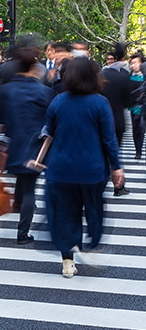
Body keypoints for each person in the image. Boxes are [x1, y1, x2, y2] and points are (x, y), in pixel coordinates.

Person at [43, 57, 124, 278]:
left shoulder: (58, 101)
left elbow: (47, 132)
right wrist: (117, 167)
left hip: (60, 169)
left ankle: (67, 261)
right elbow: (109, 140)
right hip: (92, 169)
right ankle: (91, 242)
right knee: (94, 210)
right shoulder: (100, 103)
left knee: (65, 214)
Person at [0, 47, 56, 244]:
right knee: (30, 187)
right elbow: (51, 120)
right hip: (35, 147)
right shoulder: (45, 91)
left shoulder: (6, 91)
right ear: (33, 67)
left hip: (13, 145)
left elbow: (0, 117)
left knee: (22, 180)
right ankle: (23, 233)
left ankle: (17, 206)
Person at [100, 45, 131, 196]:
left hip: (101, 118)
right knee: (114, 151)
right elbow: (128, 101)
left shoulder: (102, 74)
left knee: (101, 152)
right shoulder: (124, 75)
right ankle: (118, 186)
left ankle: (101, 183)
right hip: (117, 118)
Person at [128, 53, 145, 159]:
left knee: (141, 128)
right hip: (133, 107)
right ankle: (137, 151)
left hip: (143, 107)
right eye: (131, 63)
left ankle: (139, 150)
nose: (133, 65)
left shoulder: (145, 77)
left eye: (135, 63)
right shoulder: (129, 77)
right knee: (135, 129)